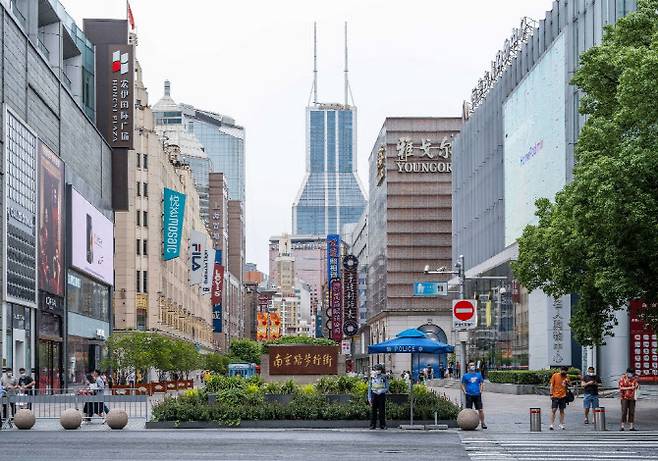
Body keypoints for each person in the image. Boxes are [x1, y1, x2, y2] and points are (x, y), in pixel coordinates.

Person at [461, 361, 487, 429]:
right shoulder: (465, 375)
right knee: (469, 410)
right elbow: (462, 384)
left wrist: (481, 391)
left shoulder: (478, 375)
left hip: (477, 394)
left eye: (473, 365)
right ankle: (468, 423)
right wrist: (465, 392)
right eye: (471, 365)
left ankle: (483, 423)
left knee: (480, 409)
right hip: (469, 395)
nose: (472, 366)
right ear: (468, 367)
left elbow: (481, 383)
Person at [368, 364, 389, 430]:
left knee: (382, 411)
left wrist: (382, 391)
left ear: (381, 370)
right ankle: (372, 425)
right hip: (374, 394)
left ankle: (382, 425)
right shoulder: (372, 377)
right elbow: (369, 388)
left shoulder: (384, 377)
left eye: (379, 369)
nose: (377, 371)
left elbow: (387, 387)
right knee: (373, 411)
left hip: (381, 395)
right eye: (376, 369)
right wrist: (369, 397)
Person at [549, 366, 570, 430]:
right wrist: (551, 394)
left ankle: (561, 424)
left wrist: (567, 382)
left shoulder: (567, 377)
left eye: (564, 371)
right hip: (555, 395)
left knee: (562, 410)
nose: (563, 371)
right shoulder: (555, 375)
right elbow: (552, 385)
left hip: (563, 396)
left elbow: (569, 385)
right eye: (562, 370)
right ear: (560, 370)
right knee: (554, 409)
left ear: (566, 371)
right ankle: (551, 424)